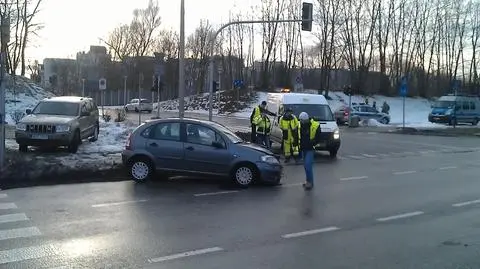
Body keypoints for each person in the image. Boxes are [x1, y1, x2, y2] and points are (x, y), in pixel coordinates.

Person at [298, 112, 321, 190]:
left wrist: (312, 142)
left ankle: (310, 182)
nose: (301, 122)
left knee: (308, 165)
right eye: (300, 120)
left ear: (306, 119)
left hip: (310, 148)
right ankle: (308, 181)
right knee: (306, 166)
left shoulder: (315, 125)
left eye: (302, 120)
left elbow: (318, 137)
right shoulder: (299, 125)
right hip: (303, 148)